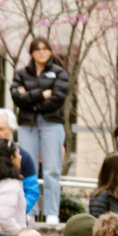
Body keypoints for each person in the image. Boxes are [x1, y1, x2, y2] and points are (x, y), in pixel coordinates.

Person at [15, 36, 71, 224]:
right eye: (37, 49)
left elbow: (58, 98)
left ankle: (51, 212)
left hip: (51, 123)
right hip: (27, 125)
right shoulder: (21, 73)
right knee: (26, 168)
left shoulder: (59, 73)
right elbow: (17, 98)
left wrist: (31, 100)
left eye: (45, 49)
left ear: (50, 52)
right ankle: (28, 210)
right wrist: (40, 94)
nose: (41, 52)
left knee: (52, 169)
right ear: (31, 52)